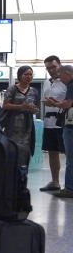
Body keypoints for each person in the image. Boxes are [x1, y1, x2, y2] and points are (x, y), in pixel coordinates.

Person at [0, 65, 39, 159]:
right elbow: (5, 105)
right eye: (26, 74)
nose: (29, 77)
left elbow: (37, 108)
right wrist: (21, 106)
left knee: (25, 150)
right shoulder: (12, 89)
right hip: (12, 124)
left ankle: (23, 171)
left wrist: (34, 110)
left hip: (27, 126)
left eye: (30, 74)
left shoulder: (34, 91)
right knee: (12, 149)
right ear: (20, 75)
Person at [40, 55, 66, 192]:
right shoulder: (46, 82)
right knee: (52, 152)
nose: (51, 70)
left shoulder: (67, 81)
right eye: (48, 68)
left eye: (53, 67)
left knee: (69, 153)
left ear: (60, 65)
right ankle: (55, 181)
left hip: (64, 122)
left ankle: (70, 184)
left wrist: (55, 103)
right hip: (49, 123)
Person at [54, 65, 73, 199]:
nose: (61, 80)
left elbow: (68, 104)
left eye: (61, 77)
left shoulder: (71, 85)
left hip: (71, 126)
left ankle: (69, 188)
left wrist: (55, 104)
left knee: (70, 158)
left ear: (67, 73)